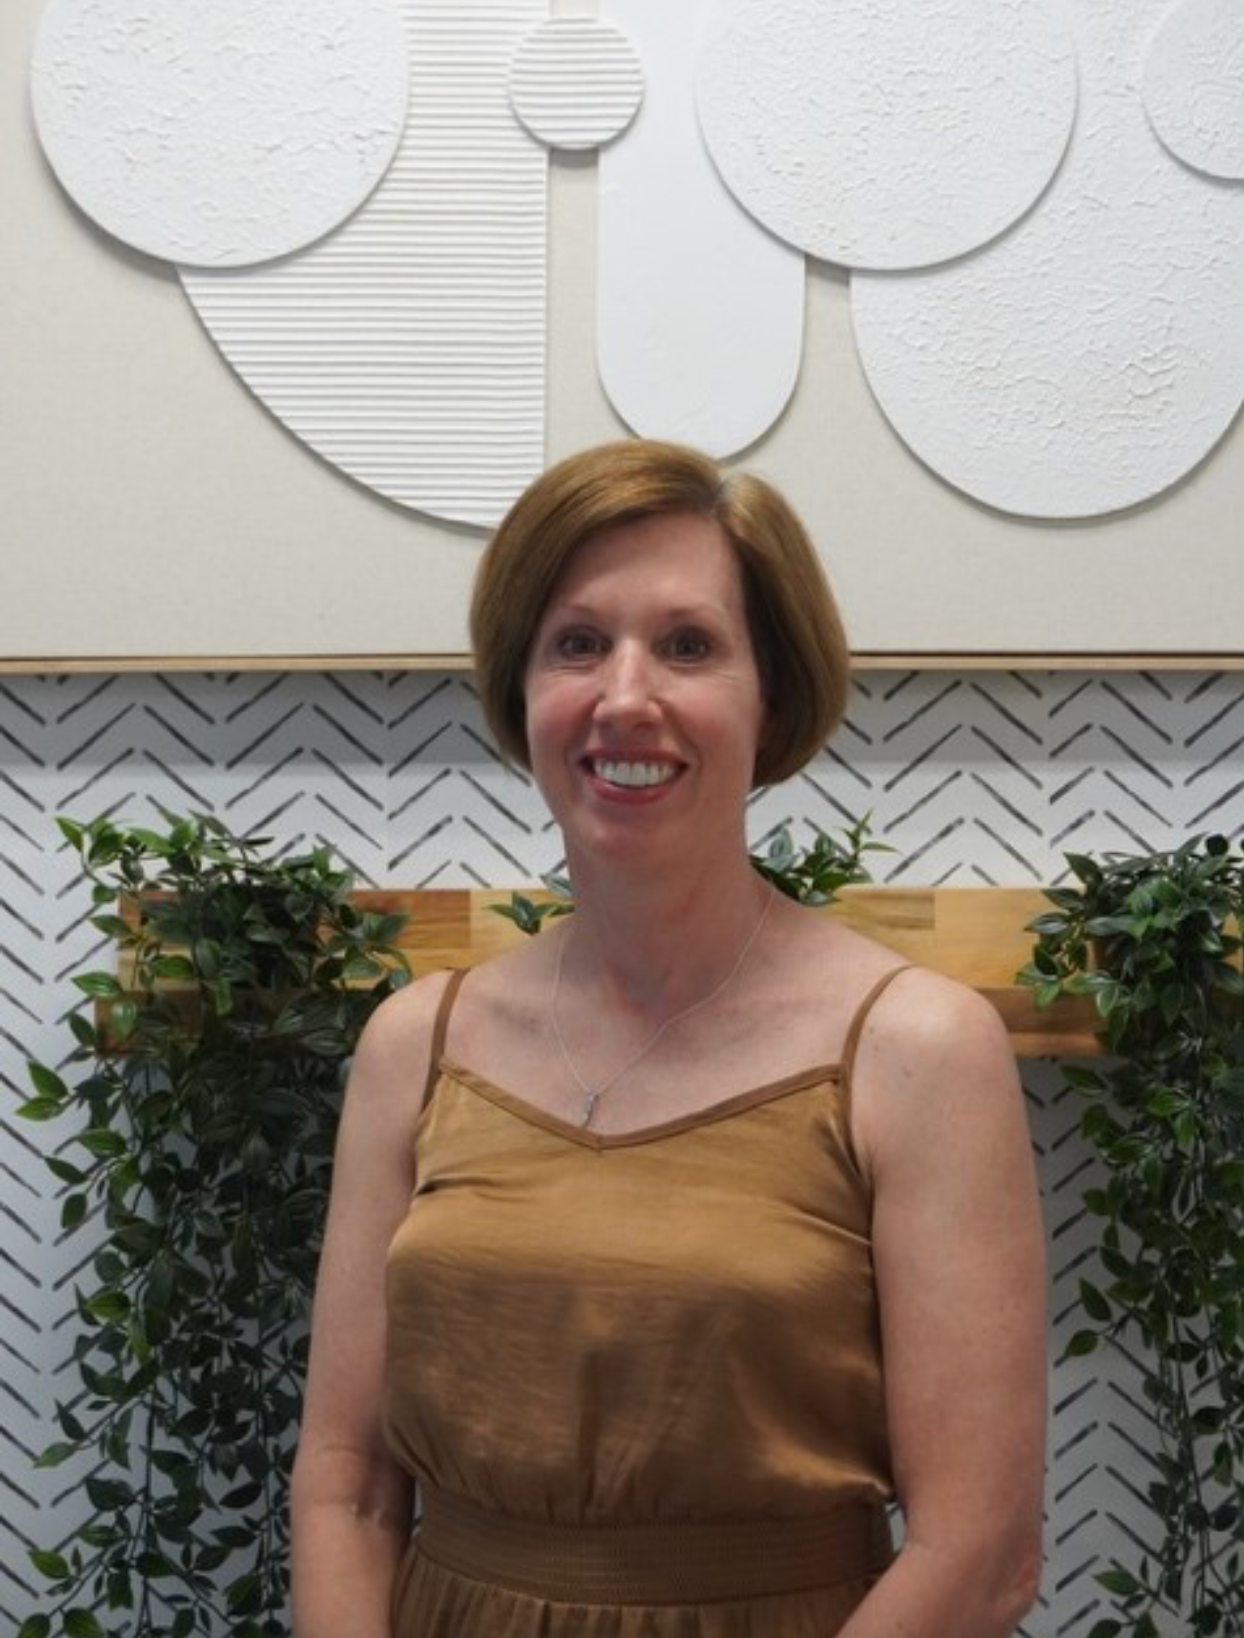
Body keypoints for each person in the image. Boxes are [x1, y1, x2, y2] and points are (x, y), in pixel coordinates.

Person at [290, 439, 1047, 1637]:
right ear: (522, 693)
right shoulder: (413, 1045)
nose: (623, 696)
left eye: (687, 645)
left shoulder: (914, 1050)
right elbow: (347, 1489)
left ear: (773, 695)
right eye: (576, 643)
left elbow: (980, 1550)